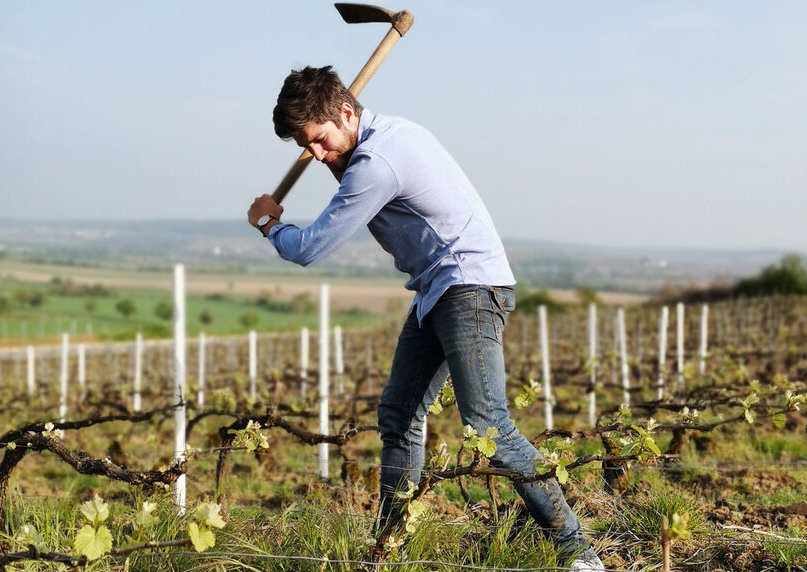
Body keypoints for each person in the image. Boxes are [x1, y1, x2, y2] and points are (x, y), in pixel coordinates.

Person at [247, 65, 605, 571]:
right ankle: (389, 550)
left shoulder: (378, 162)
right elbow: (350, 175)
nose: (318, 154)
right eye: (307, 147)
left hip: (470, 287)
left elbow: (310, 247)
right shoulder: (385, 138)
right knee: (398, 415)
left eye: (321, 141)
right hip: (439, 290)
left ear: (346, 113)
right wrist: (332, 155)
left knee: (491, 427)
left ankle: (580, 556)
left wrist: (269, 224)